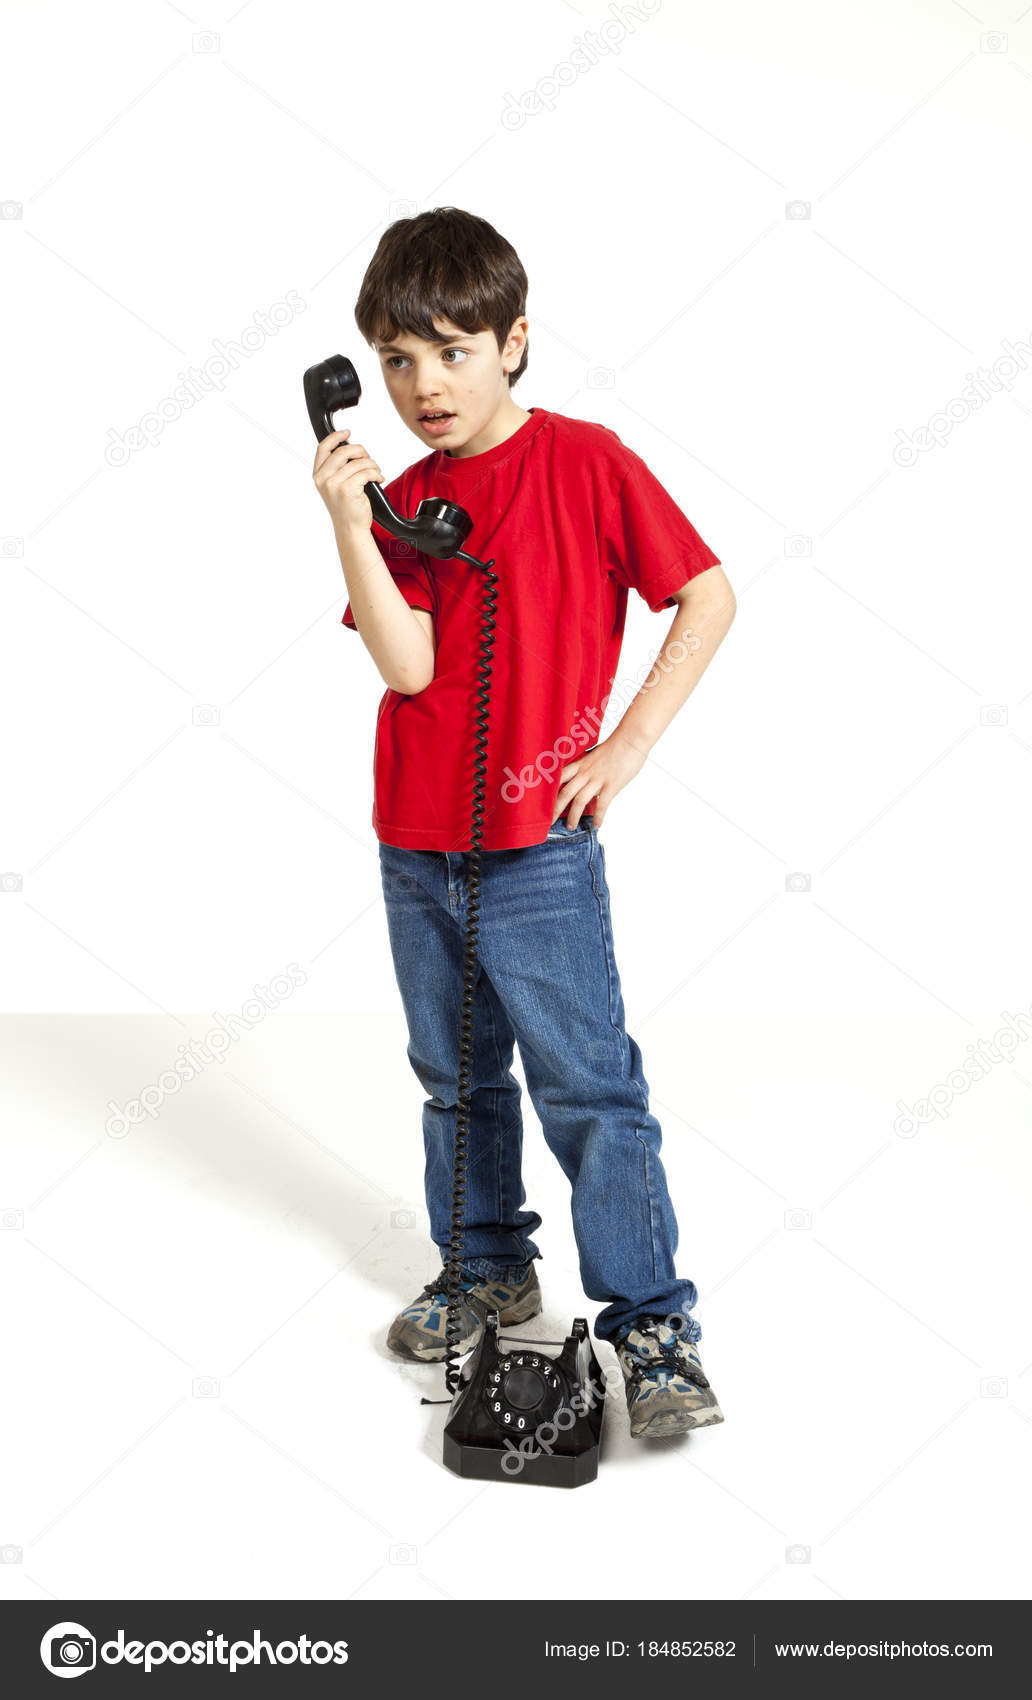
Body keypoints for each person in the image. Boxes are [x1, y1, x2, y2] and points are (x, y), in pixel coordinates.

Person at [311, 207, 736, 1439]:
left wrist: (630, 740)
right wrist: (353, 521)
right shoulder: (413, 500)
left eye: (450, 348)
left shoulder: (588, 460)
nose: (422, 384)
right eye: (396, 358)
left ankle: (652, 1322)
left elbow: (704, 592)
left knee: (590, 1084)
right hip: (417, 837)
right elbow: (408, 667)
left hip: (538, 842)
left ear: (515, 341)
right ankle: (488, 1260)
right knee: (456, 1077)